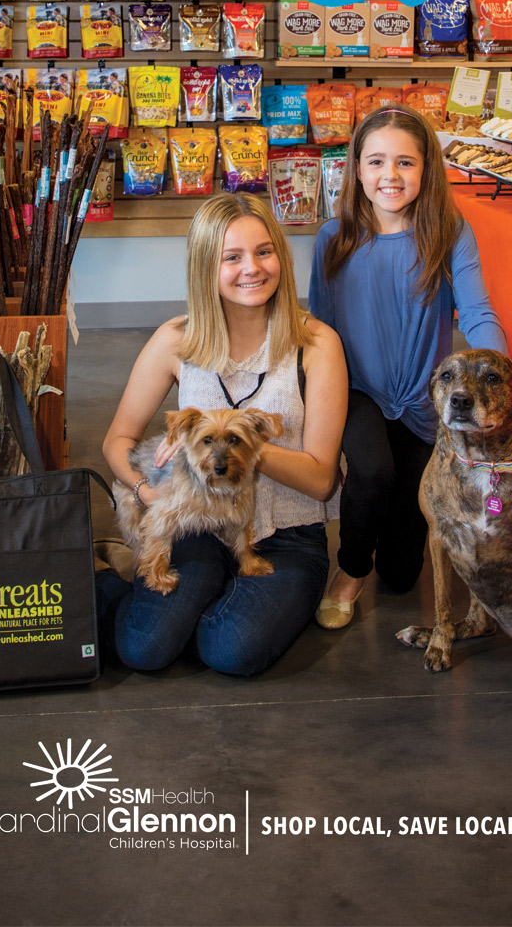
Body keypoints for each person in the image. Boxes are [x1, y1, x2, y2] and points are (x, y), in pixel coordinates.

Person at [99, 193, 348, 675]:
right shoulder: (177, 340)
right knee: (143, 649)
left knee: (232, 650)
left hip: (289, 537)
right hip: (199, 528)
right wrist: (145, 490)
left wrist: (241, 445)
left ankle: (200, 608)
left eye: (263, 252)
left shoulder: (316, 344)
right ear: (205, 268)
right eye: (231, 257)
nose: (251, 268)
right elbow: (118, 441)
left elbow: (321, 481)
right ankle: (139, 586)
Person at [308, 106, 506, 629]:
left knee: (400, 573)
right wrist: (316, 405)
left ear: (427, 169)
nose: (389, 176)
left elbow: (479, 312)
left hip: (424, 398)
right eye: (375, 161)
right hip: (358, 390)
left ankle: (387, 560)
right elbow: (319, 329)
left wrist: (501, 376)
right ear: (356, 169)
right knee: (372, 472)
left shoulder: (449, 235)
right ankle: (349, 570)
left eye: (405, 162)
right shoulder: (333, 238)